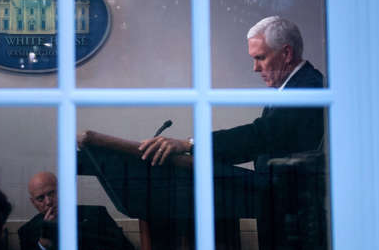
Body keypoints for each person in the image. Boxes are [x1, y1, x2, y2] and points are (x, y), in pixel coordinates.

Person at [137, 16, 324, 166]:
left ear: (286, 54)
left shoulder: (309, 87)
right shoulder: (290, 87)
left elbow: (261, 136)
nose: (255, 68)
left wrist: (190, 144)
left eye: (260, 58)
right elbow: (259, 147)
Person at [18, 171, 139, 250]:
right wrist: (43, 245)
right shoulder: (28, 231)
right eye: (40, 198)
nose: (48, 201)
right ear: (33, 203)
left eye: (51, 193)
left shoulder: (96, 214)